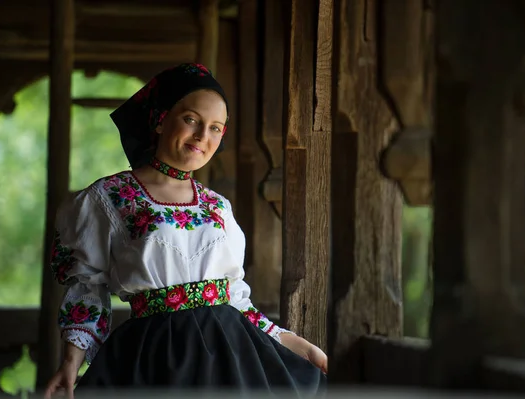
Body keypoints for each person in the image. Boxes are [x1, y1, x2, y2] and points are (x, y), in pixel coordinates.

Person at [44, 63, 327, 398]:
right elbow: (89, 287)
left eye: (215, 128)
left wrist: (293, 342)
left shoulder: (217, 207)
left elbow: (234, 296)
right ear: (161, 119)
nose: (202, 136)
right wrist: (70, 362)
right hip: (154, 356)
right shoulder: (109, 198)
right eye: (192, 119)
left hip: (229, 356)